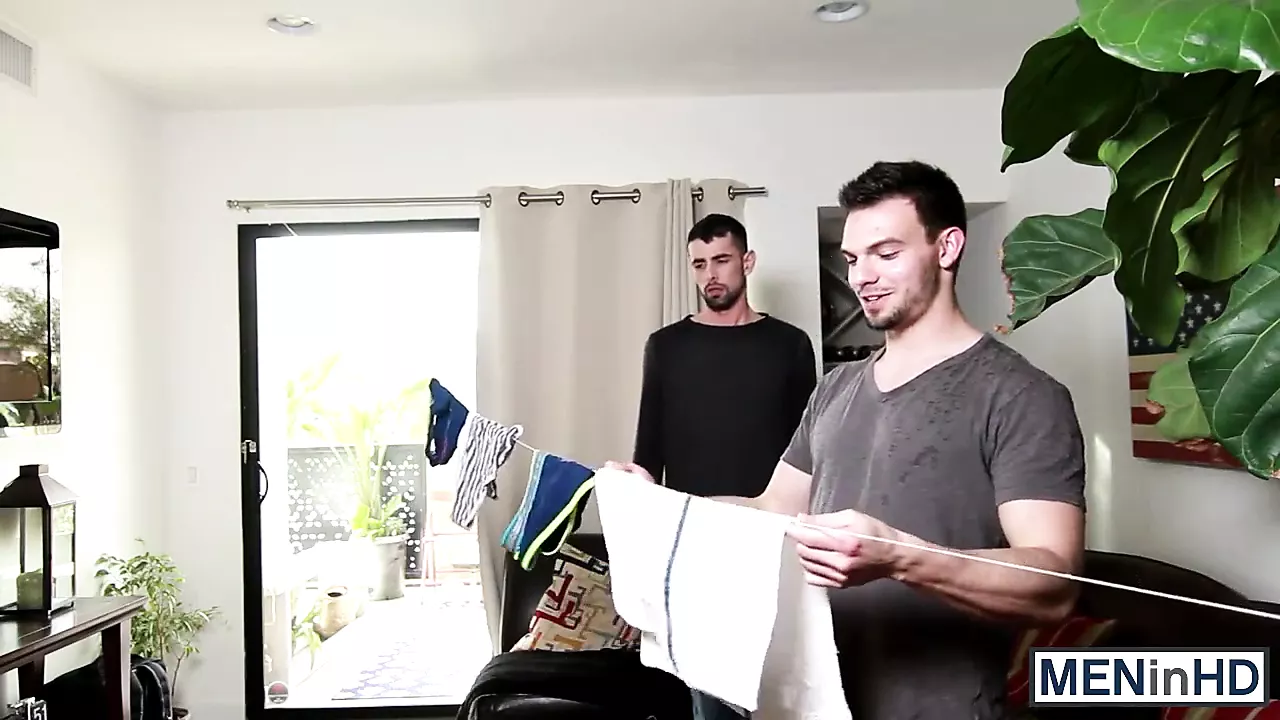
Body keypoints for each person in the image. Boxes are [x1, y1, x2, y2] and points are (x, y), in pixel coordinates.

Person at [611, 161, 1087, 720]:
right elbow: (771, 509)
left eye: (886, 253)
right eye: (854, 259)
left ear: (947, 247)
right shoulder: (835, 389)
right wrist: (660, 503)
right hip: (813, 705)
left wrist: (897, 556)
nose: (862, 276)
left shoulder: (1021, 395)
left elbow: (1055, 583)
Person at [631, 212, 817, 719]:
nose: (710, 274)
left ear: (747, 262)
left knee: (781, 684)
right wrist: (637, 496)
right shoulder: (667, 346)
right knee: (711, 692)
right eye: (699, 264)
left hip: (772, 538)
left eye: (721, 260)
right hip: (696, 539)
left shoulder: (790, 344)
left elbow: (812, 449)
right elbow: (649, 447)